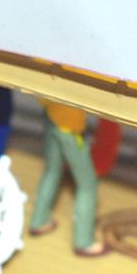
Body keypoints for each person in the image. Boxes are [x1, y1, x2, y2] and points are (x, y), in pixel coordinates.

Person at [28, 100, 105, 256]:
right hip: (69, 126)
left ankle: (39, 220)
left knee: (52, 170)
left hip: (51, 116)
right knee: (87, 184)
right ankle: (84, 242)